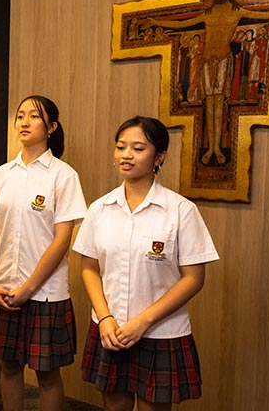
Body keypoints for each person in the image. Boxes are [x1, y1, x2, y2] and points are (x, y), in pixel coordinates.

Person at [72, 116, 219, 411]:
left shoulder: (181, 211)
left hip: (160, 332)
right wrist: (105, 317)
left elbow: (193, 278)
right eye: (120, 147)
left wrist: (143, 322)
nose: (126, 155)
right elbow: (89, 268)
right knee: (114, 404)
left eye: (138, 148)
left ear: (159, 157)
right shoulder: (100, 208)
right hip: (110, 327)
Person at [0, 95, 86, 411]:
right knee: (9, 366)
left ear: (51, 127)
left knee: (47, 374)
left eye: (34, 116)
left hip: (45, 294)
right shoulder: (2, 174)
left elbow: (62, 241)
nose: (25, 122)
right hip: (4, 289)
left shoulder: (63, 176)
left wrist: (28, 289)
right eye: (21, 115)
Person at [143, 0, 269, 166]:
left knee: (219, 106)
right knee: (209, 105)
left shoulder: (237, 11)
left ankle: (216, 148)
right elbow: (182, 24)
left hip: (224, 60)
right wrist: (156, 22)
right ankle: (211, 148)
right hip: (206, 62)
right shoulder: (207, 14)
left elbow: (267, 15)